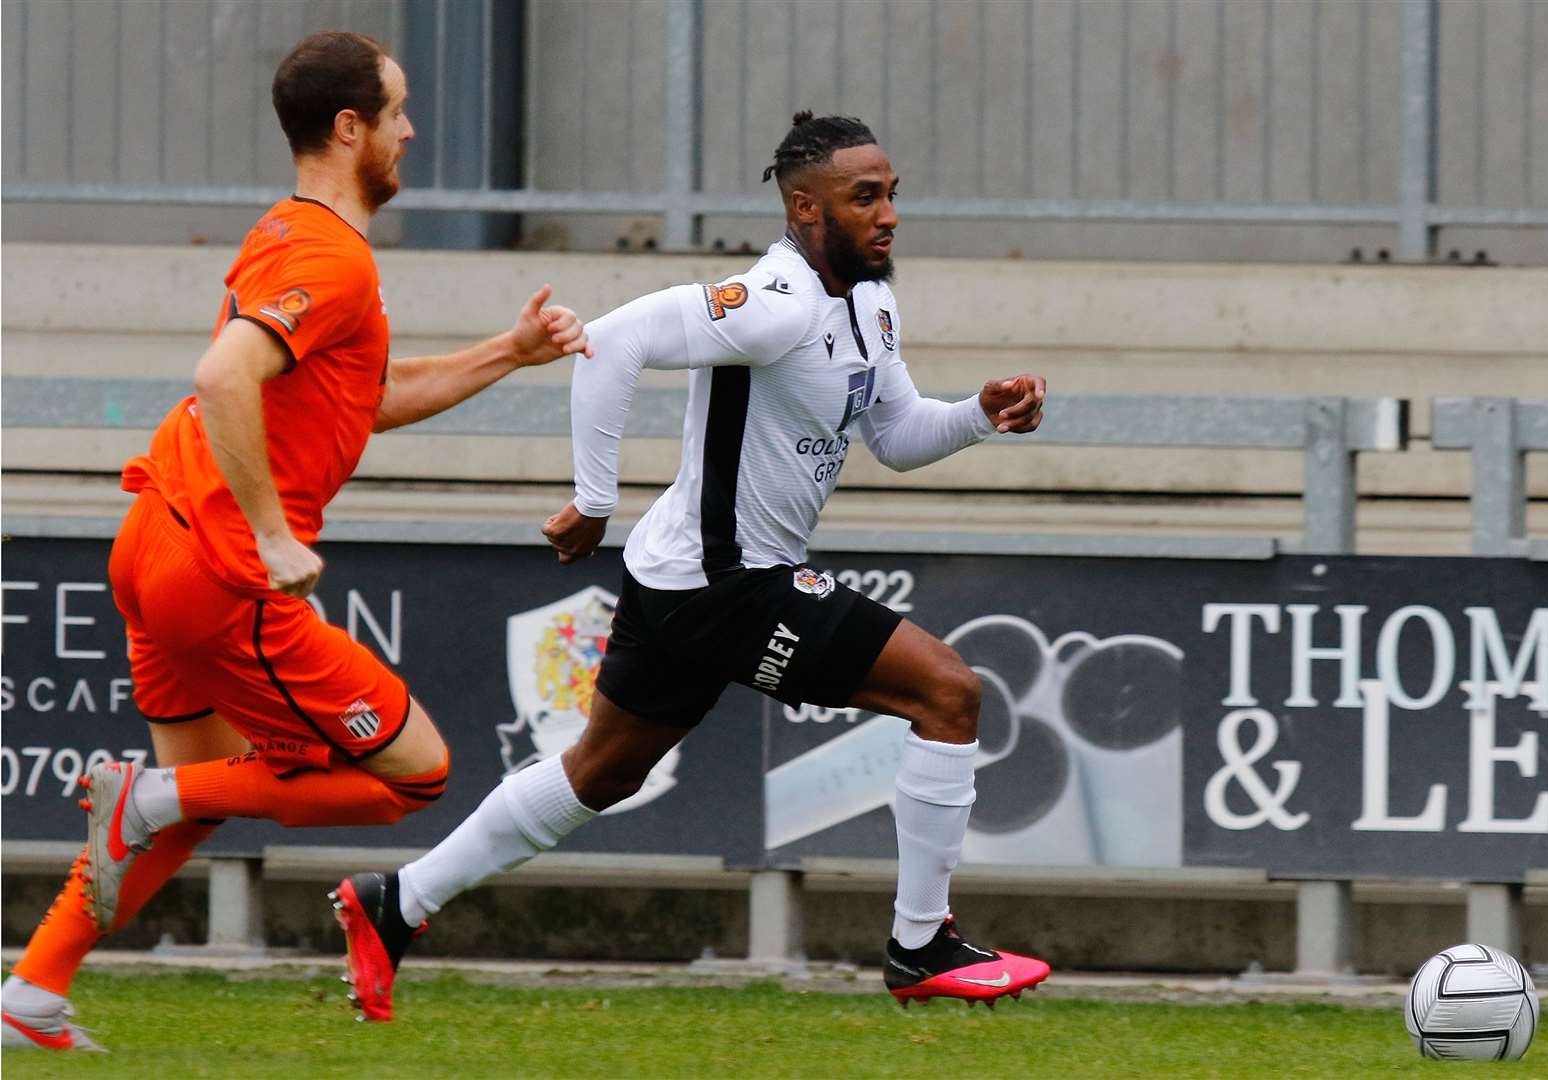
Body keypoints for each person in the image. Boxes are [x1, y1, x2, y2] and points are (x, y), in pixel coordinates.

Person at [331, 111, 1050, 1023]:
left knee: (599, 772)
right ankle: (920, 945)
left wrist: (981, 414)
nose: (887, 215)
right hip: (727, 583)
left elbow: (899, 439)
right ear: (804, 207)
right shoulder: (771, 302)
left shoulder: (868, 300)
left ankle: (398, 903)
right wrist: (593, 498)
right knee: (948, 692)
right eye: (863, 197)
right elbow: (612, 340)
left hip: (685, 583)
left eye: (891, 194)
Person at [0, 31, 590, 1051]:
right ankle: (145, 798)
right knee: (414, 773)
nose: (411, 132)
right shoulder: (328, 254)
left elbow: (365, 396)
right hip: (221, 571)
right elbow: (223, 374)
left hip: (153, 542)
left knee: (186, 805)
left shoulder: (297, 235)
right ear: (349, 127)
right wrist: (273, 539)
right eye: (398, 112)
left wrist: (510, 351)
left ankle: (30, 995)